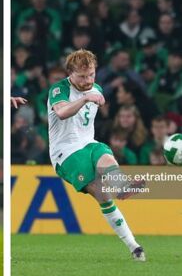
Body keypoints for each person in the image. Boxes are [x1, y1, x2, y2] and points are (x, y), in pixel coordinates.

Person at [47, 49, 145, 261]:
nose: (87, 80)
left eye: (91, 74)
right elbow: (62, 113)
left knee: (106, 156)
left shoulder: (97, 89)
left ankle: (135, 247)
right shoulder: (59, 89)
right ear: (70, 73)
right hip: (66, 153)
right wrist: (84, 99)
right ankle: (130, 241)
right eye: (82, 76)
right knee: (102, 196)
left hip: (89, 144)